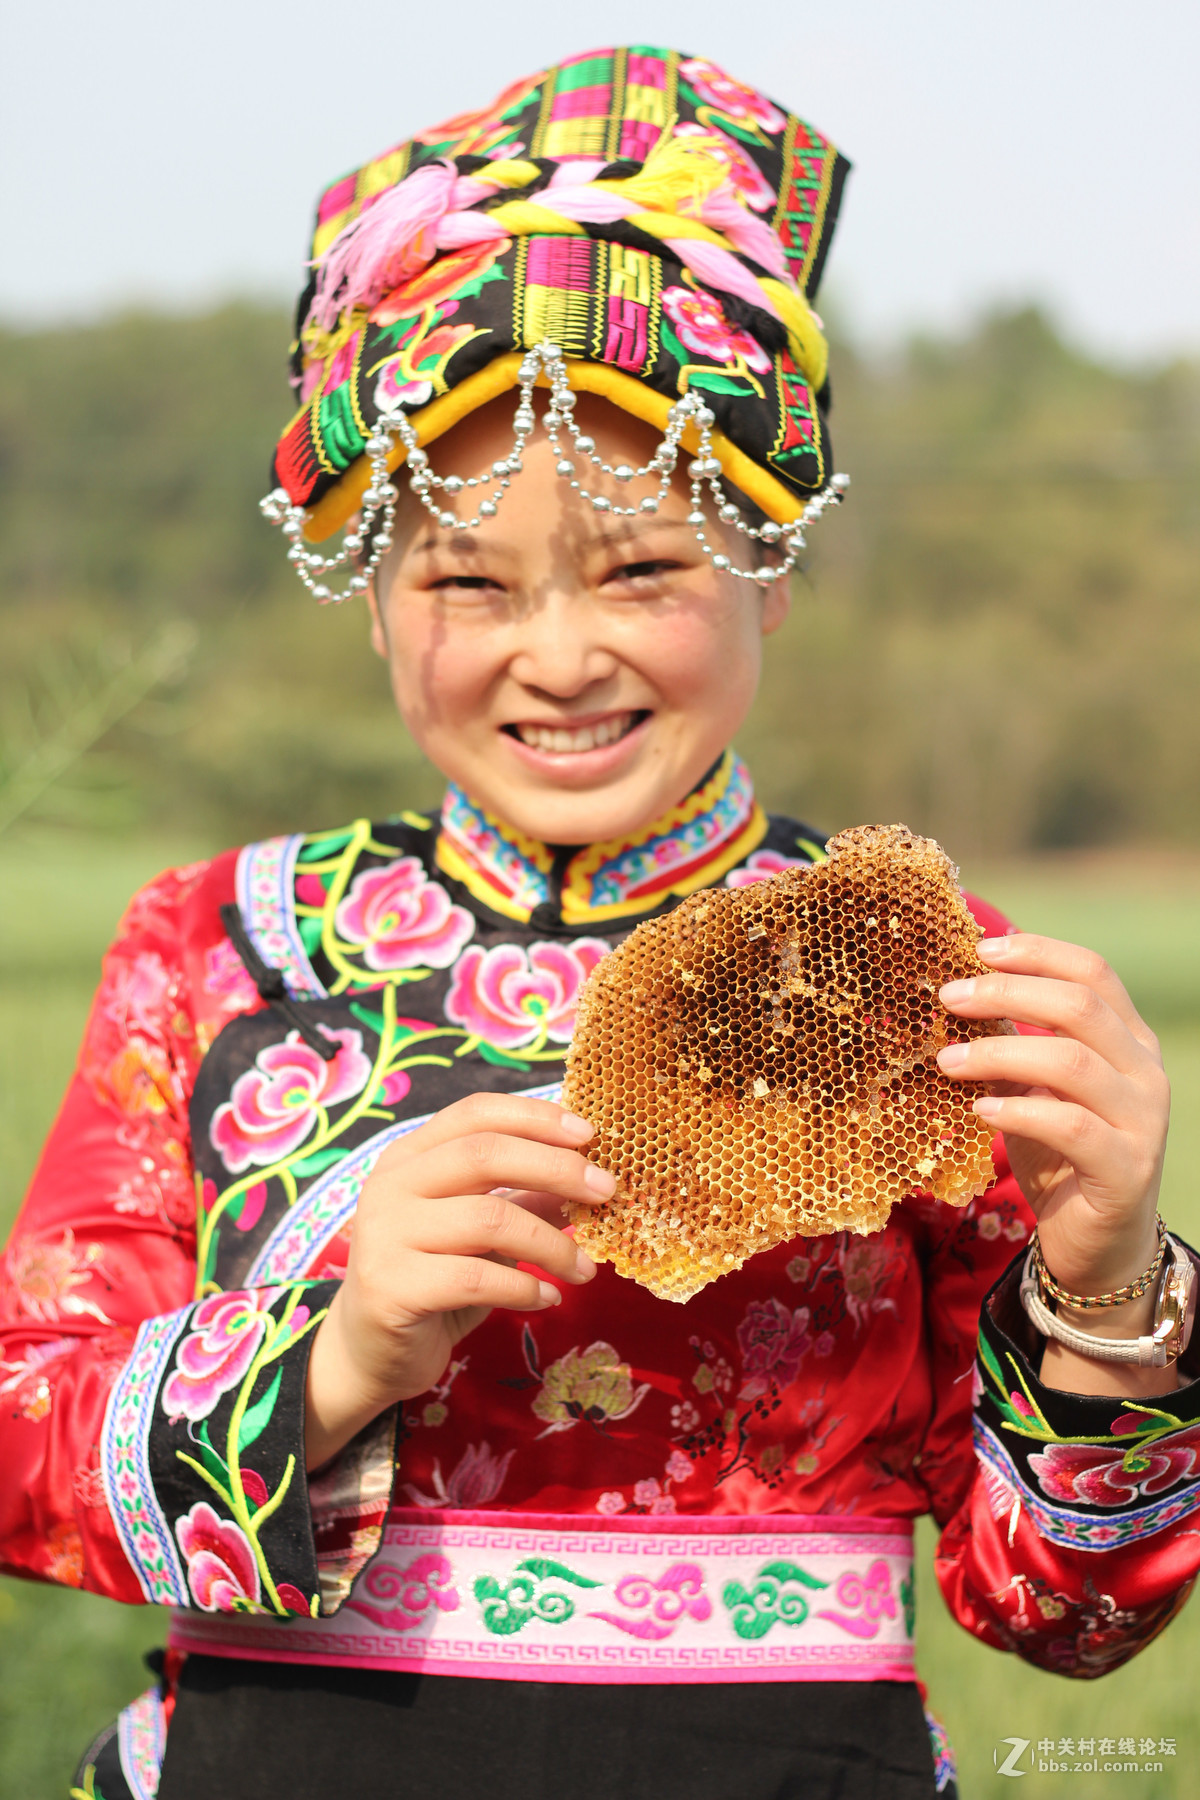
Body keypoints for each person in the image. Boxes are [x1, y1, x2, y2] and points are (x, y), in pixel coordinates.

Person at [1, 46, 1195, 1800]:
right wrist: (332, 1357)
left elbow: (1068, 1618)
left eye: (644, 571)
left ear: (772, 567)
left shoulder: (919, 982)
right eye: (465, 581)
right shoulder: (222, 942)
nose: (557, 657)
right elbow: (25, 1434)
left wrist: (1108, 1271)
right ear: (372, 602)